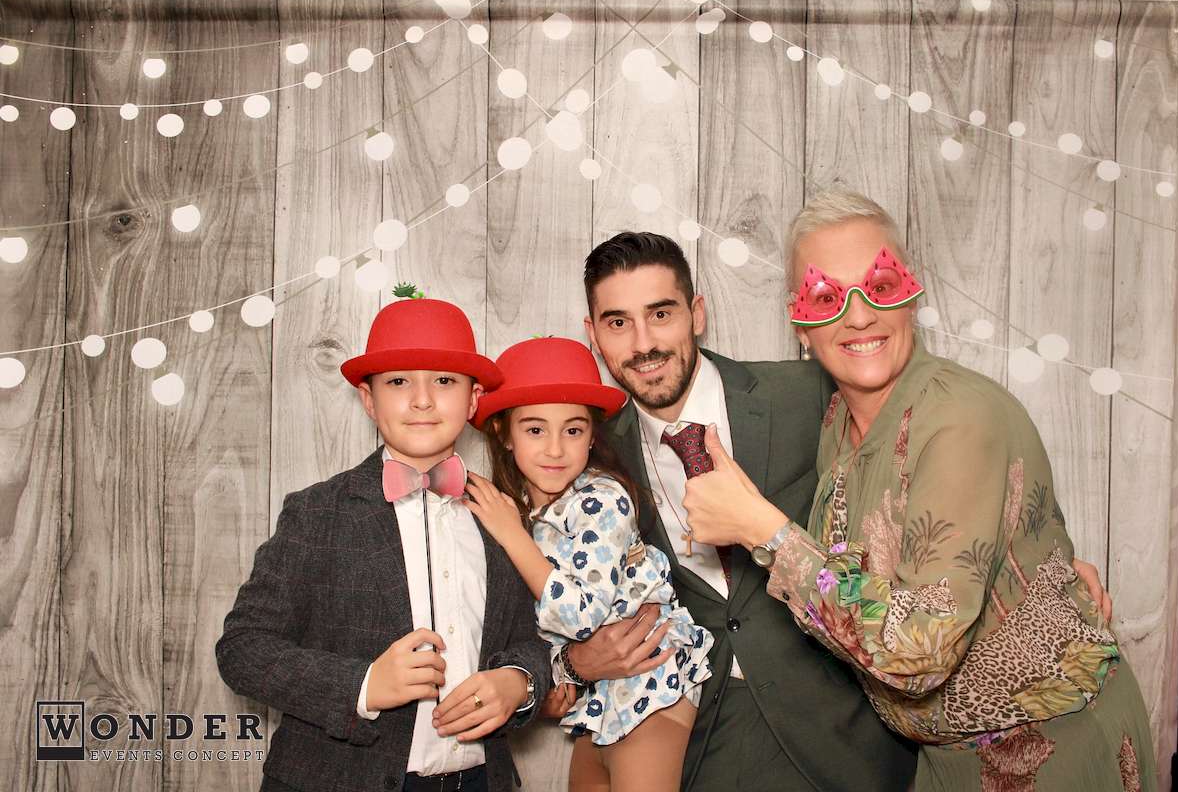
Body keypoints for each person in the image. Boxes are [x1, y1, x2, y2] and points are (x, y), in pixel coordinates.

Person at [681, 189, 1156, 791]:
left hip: (1053, 750)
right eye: (826, 296)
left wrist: (762, 530)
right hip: (940, 761)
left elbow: (922, 652)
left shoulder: (959, 417)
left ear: (911, 296)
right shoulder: (838, 422)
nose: (858, 317)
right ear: (800, 321)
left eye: (879, 286)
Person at [561, 232, 919, 791]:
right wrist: (574, 662)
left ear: (697, 313)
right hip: (706, 738)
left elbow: (913, 485)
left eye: (661, 314)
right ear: (593, 334)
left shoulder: (807, 392)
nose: (643, 343)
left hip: (846, 735)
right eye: (618, 322)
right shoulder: (592, 452)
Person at [216, 290, 551, 792]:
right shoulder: (317, 513)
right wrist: (364, 684)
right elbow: (242, 649)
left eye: (444, 381)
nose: (422, 400)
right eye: (398, 382)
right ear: (369, 400)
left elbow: (536, 638)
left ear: (474, 399)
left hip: (481, 780)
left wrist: (520, 681)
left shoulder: (502, 514)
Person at [464, 336, 713, 792]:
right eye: (535, 430)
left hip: (651, 688)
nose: (555, 449)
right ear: (503, 432)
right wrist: (556, 674)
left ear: (593, 435)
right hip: (599, 706)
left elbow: (582, 615)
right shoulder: (520, 511)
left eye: (573, 430)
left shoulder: (601, 500)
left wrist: (511, 535)